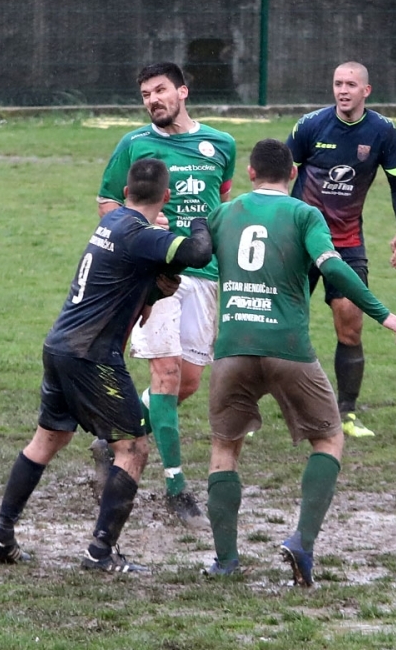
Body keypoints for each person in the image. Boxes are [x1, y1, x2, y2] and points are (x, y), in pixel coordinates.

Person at [0, 158, 213, 572]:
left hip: (60, 346)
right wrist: (200, 219)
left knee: (47, 440)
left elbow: (136, 275)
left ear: (125, 193)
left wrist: (154, 290)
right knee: (134, 447)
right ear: (165, 196)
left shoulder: (112, 225)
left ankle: (1, 535)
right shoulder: (140, 235)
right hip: (92, 356)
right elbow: (197, 252)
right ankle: (100, 552)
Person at [203, 139, 396, 582]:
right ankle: (302, 542)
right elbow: (334, 269)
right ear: (294, 176)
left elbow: (190, 258)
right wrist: (383, 314)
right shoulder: (305, 214)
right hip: (288, 349)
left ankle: (225, 561)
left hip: (232, 347)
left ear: (249, 173)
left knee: (225, 447)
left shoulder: (223, 213)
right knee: (330, 439)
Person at [93, 62, 237, 527]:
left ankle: (110, 434)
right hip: (157, 272)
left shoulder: (221, 145)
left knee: (187, 382)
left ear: (183, 92)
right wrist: (139, 225)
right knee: (167, 375)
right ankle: (176, 489)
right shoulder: (134, 144)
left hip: (206, 273)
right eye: (145, 95)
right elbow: (106, 202)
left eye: (160, 91)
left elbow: (220, 204)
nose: (153, 100)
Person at [285, 61, 396, 438]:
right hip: (300, 239)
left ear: (366, 91)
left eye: (350, 84)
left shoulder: (382, 132)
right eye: (338, 83)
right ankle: (260, 409)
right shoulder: (311, 125)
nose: (342, 90)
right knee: (281, 326)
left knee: (350, 323)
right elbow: (280, 176)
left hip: (346, 242)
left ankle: (347, 414)